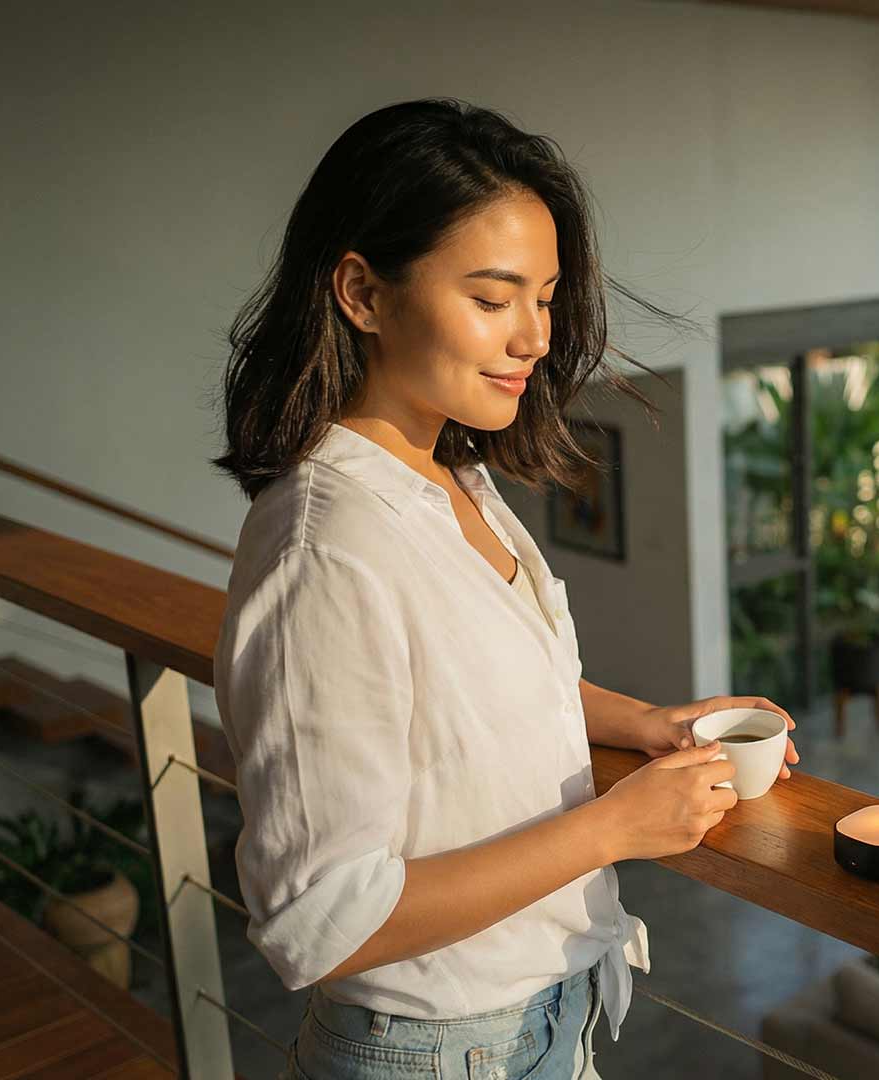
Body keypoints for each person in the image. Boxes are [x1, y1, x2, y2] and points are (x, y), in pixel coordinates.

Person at [211, 97, 798, 1079]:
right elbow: (319, 921)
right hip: (437, 1051)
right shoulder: (328, 551)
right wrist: (616, 826)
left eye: (546, 294)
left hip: (537, 1022)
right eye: (493, 299)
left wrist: (651, 723)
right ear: (361, 291)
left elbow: (467, 703)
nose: (534, 336)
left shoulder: (453, 476)